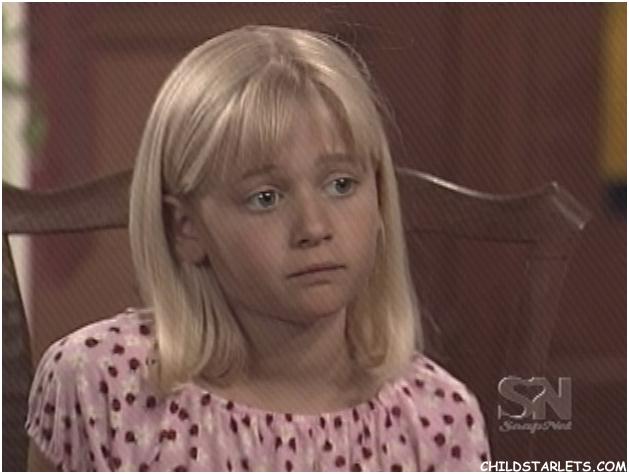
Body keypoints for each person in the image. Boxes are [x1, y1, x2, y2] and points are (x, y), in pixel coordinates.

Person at [26, 25, 491, 471]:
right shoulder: (101, 384)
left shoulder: (437, 417)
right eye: (265, 198)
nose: (314, 228)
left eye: (341, 185)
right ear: (186, 228)